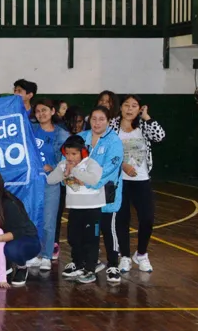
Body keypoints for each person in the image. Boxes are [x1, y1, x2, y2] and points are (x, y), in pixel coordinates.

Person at [110, 94, 164, 273]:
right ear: (120, 107)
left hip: (141, 180)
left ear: (140, 108)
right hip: (119, 181)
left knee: (147, 218)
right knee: (122, 219)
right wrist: (122, 165)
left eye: (134, 105)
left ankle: (141, 254)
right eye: (126, 105)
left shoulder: (144, 126)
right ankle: (125, 256)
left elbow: (160, 136)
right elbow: (106, 152)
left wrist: (147, 117)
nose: (130, 109)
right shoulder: (112, 126)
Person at [49, 135, 107, 285]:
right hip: (75, 208)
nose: (70, 157)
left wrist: (74, 170)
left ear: (83, 152)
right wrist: (63, 172)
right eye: (67, 153)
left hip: (92, 208)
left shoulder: (91, 164)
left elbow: (93, 180)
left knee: (91, 240)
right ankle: (78, 263)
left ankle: (91, 268)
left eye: (74, 154)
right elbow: (51, 180)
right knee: (74, 238)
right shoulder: (64, 164)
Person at [79, 106, 124, 280]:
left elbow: (111, 167)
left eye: (101, 119)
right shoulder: (82, 138)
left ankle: (113, 265)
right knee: (90, 230)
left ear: (108, 121)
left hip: (106, 194)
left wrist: (89, 179)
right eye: (94, 119)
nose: (97, 123)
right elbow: (69, 158)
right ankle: (92, 261)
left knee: (108, 228)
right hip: (84, 194)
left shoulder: (114, 141)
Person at [28, 98, 69, 271]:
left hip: (50, 182)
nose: (41, 114)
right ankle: (34, 253)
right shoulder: (31, 129)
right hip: (32, 182)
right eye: (37, 111)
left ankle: (46, 255)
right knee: (32, 218)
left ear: (53, 111)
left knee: (48, 220)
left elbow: (68, 161)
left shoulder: (62, 135)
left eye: (44, 110)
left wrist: (52, 168)